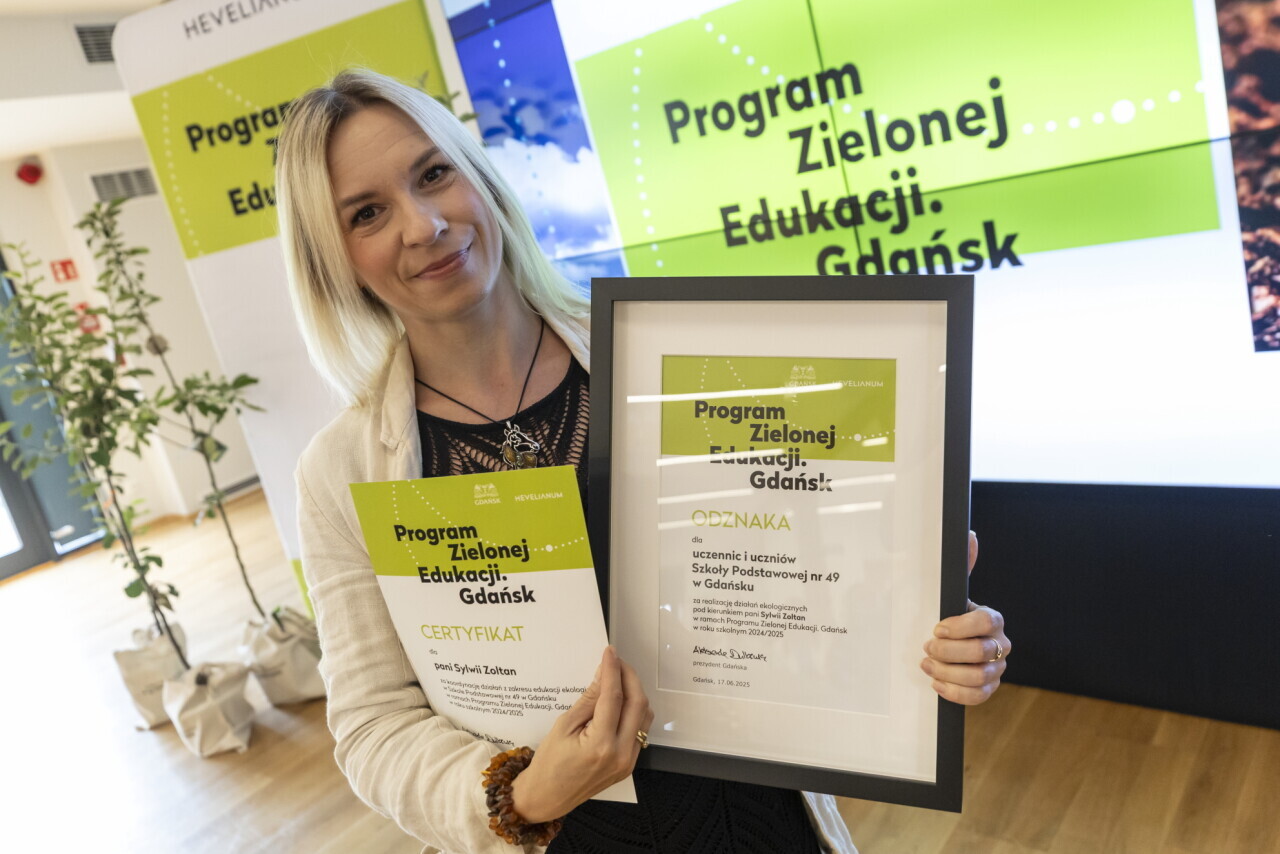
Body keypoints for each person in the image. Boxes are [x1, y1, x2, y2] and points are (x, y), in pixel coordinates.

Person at [277, 69, 1011, 854]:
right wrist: (522, 794)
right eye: (367, 213)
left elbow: (795, 585)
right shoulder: (342, 474)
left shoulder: (674, 357)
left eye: (433, 173)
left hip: (755, 825)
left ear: (479, 176)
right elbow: (375, 727)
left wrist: (918, 635)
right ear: (334, 260)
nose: (423, 225)